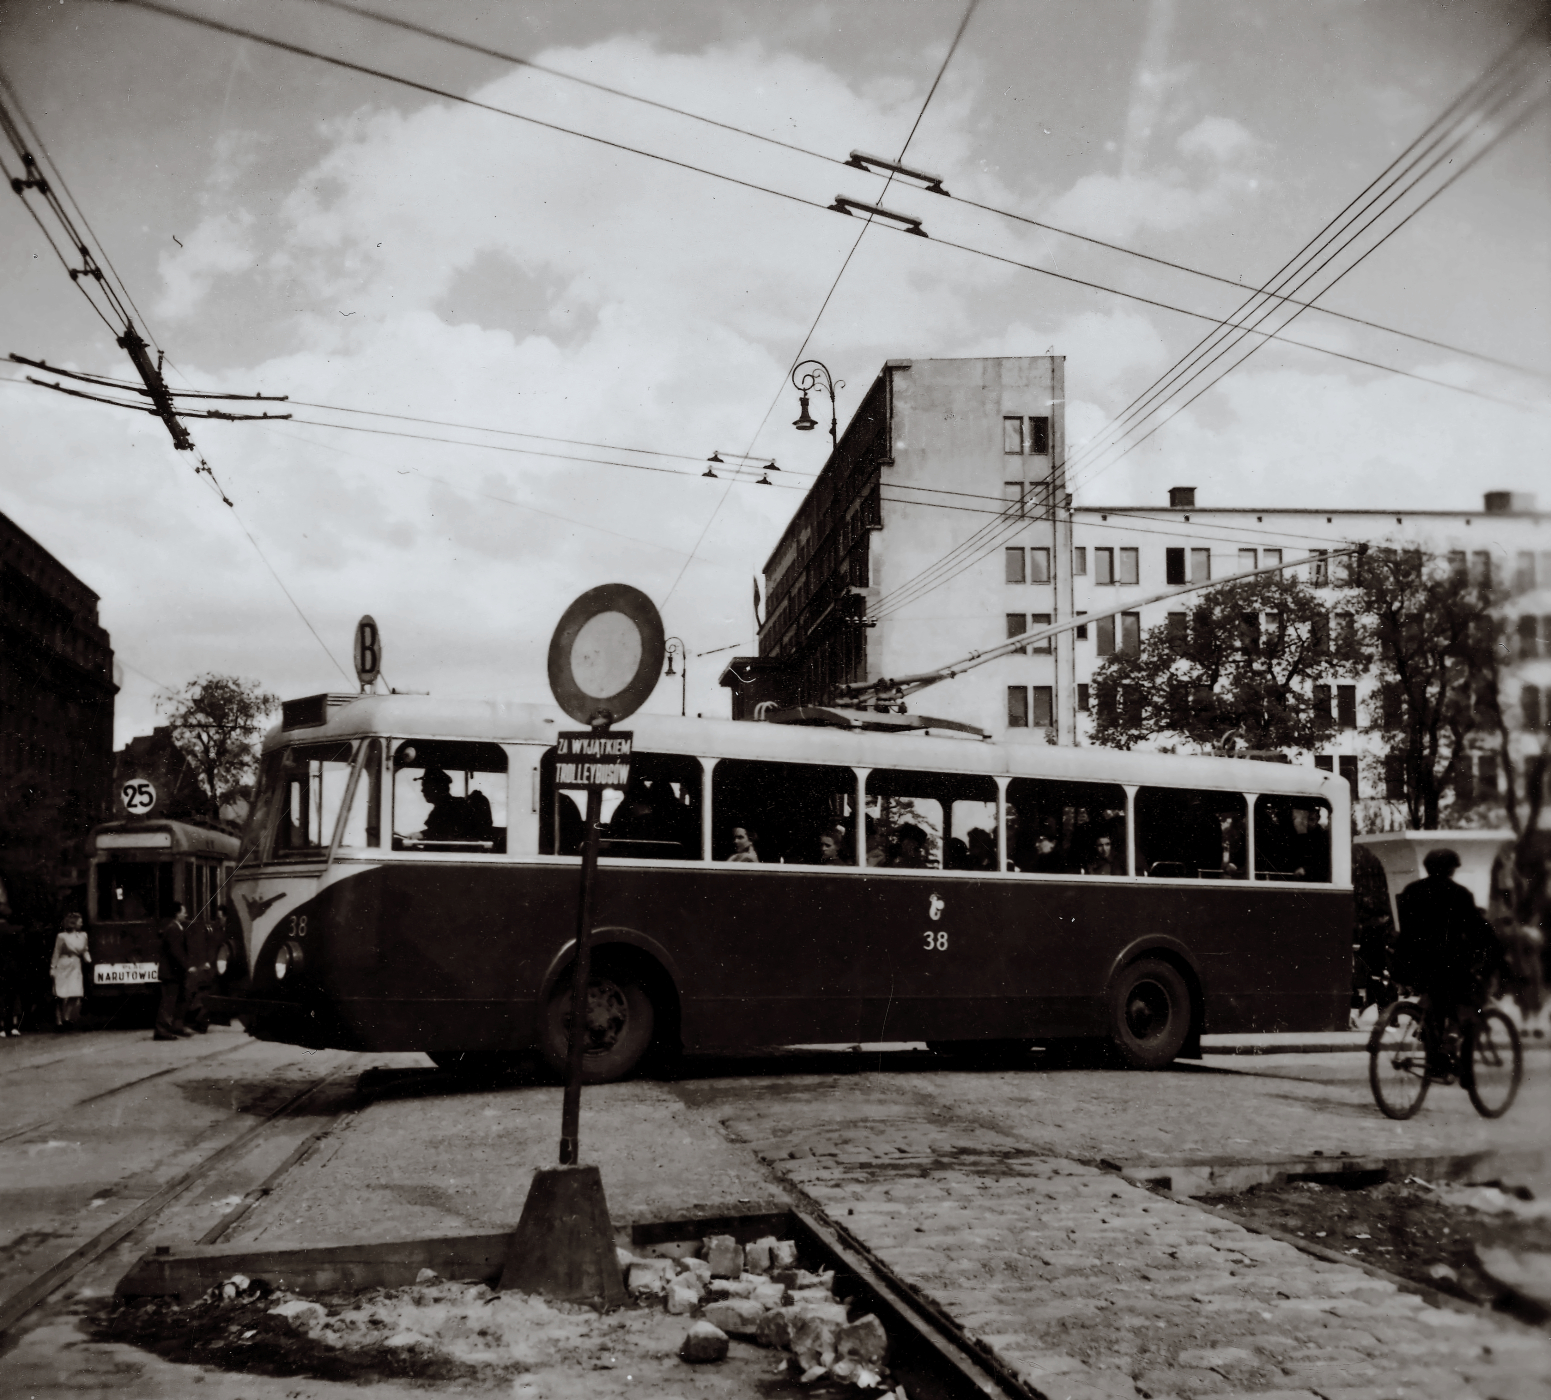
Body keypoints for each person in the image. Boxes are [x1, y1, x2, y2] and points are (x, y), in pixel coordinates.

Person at [1394, 848, 1506, 1076]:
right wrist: (1496, 955)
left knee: (1437, 1002)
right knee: (1471, 998)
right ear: (1452, 869)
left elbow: (1405, 930)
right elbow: (1479, 931)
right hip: (1447, 966)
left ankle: (1434, 1048)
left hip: (1412, 966)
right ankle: (1452, 1043)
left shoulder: (1411, 890)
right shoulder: (1459, 893)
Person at [155, 901, 193, 1041]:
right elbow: (176, 951)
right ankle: (161, 1030)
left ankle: (177, 1025)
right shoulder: (173, 929)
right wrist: (187, 966)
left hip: (175, 972)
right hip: (171, 972)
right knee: (168, 1002)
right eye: (184, 912)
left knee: (181, 998)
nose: (186, 914)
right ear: (177, 914)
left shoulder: (176, 927)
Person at [418, 767, 490, 841]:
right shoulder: (440, 809)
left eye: (426, 786)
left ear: (438, 788)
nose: (422, 790)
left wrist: (422, 835)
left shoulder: (457, 806)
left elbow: (446, 833)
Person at [50, 911, 91, 1032]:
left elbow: (85, 950)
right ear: (73, 923)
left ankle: (66, 1017)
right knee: (60, 994)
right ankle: (59, 1022)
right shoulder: (61, 936)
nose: (82, 923)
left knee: (75, 993)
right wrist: (53, 968)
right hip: (63, 964)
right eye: (80, 921)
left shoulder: (83, 935)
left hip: (75, 965)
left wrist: (88, 959)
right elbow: (56, 952)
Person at [0, 903, 23, 1035]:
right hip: (13, 965)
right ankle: (14, 1025)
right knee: (14, 995)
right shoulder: (16, 930)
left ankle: (1, 1027)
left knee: (0, 996)